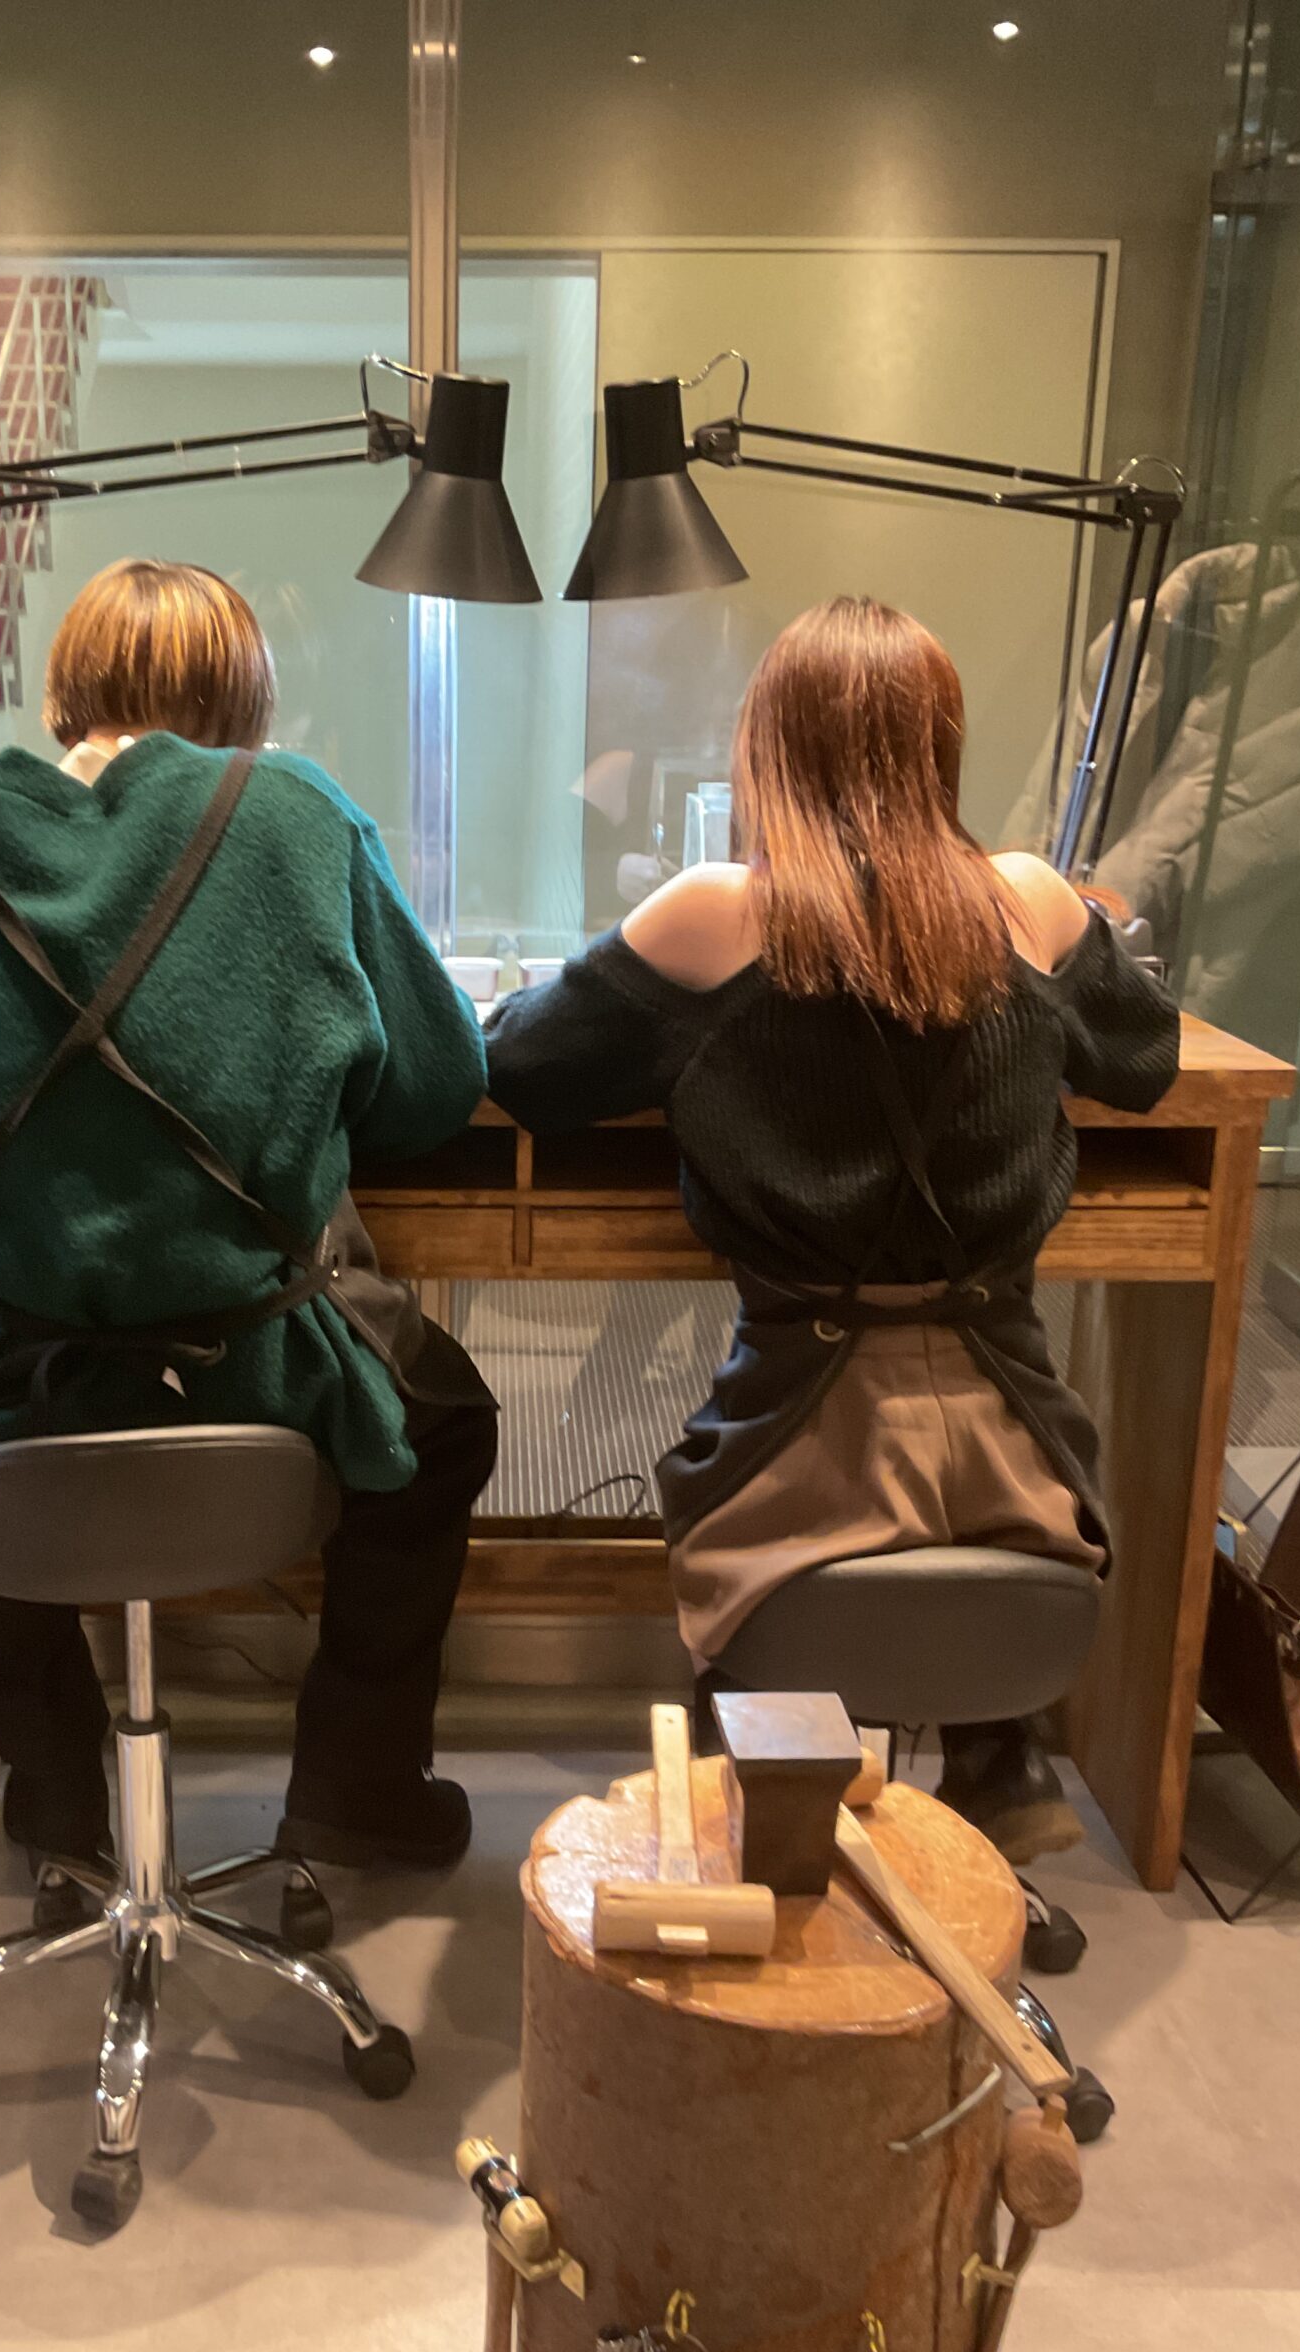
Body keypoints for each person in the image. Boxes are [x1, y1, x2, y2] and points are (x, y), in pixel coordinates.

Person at [0, 559, 498, 1879]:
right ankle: (356, 1787)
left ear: (66, 689)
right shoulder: (296, 814)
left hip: (11, 1373)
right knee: (444, 1425)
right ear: (247, 697)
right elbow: (439, 1082)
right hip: (256, 1371)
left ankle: (57, 1798)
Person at [485, 597, 1181, 1860]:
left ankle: (775, 1805)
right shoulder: (1027, 902)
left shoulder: (712, 914)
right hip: (1025, 1468)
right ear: (939, 747)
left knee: (733, 1550)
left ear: (767, 748)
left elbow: (522, 1068)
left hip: (790, 1457)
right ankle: (996, 1750)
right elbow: (1146, 1060)